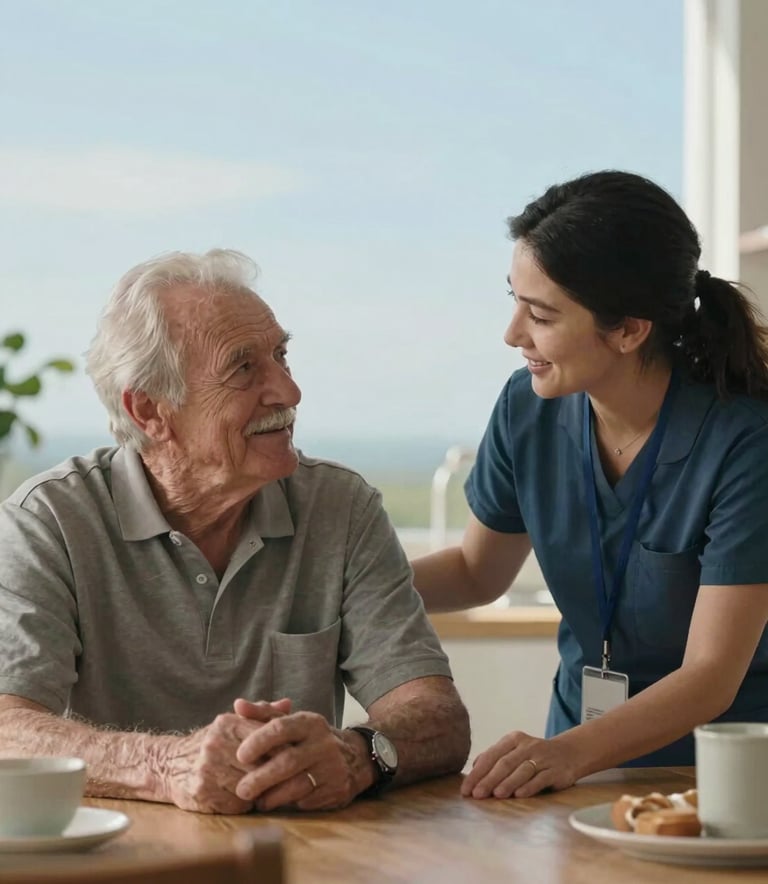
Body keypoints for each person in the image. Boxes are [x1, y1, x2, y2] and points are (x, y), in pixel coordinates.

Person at [0, 249, 470, 814]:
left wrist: (358, 753)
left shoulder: (341, 508)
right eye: (244, 368)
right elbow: (9, 728)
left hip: (305, 854)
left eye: (281, 356)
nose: (289, 393)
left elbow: (438, 716)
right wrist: (165, 767)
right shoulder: (48, 521)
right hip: (117, 858)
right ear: (150, 410)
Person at [412, 170, 768, 799]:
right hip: (573, 767)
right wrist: (332, 590)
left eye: (541, 314)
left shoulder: (744, 442)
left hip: (720, 781)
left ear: (629, 330)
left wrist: (564, 754)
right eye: (514, 300)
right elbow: (476, 572)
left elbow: (712, 673)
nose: (513, 333)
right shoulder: (530, 408)